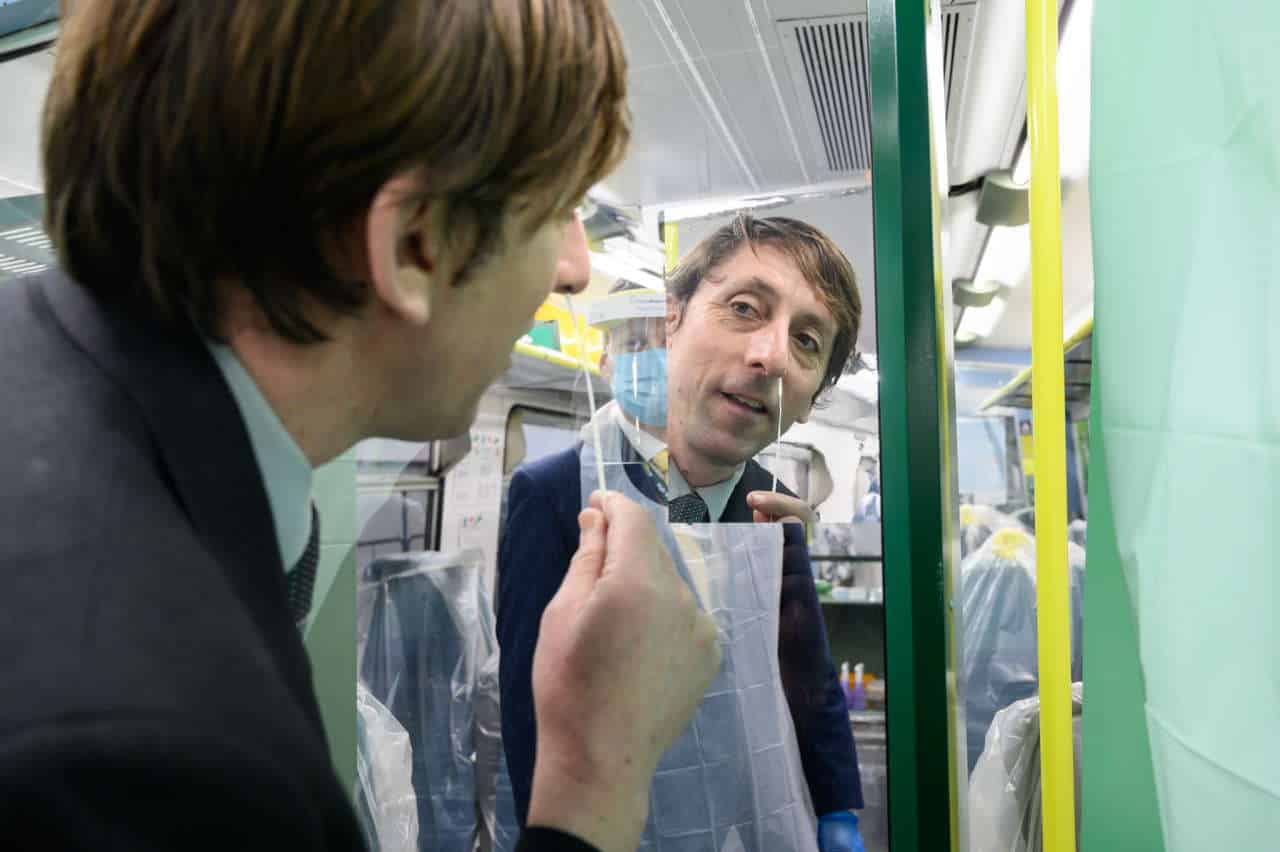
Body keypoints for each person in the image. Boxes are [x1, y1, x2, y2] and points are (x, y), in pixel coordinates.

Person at [0, 3, 720, 852]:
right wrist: (594, 776)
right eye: (561, 205)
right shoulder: (148, 757)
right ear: (414, 244)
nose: (575, 267)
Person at [499, 216, 867, 851]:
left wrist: (839, 804)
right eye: (744, 308)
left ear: (809, 403)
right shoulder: (554, 494)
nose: (771, 354)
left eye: (807, 342)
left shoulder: (773, 511)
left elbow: (806, 673)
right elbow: (529, 710)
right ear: (673, 323)